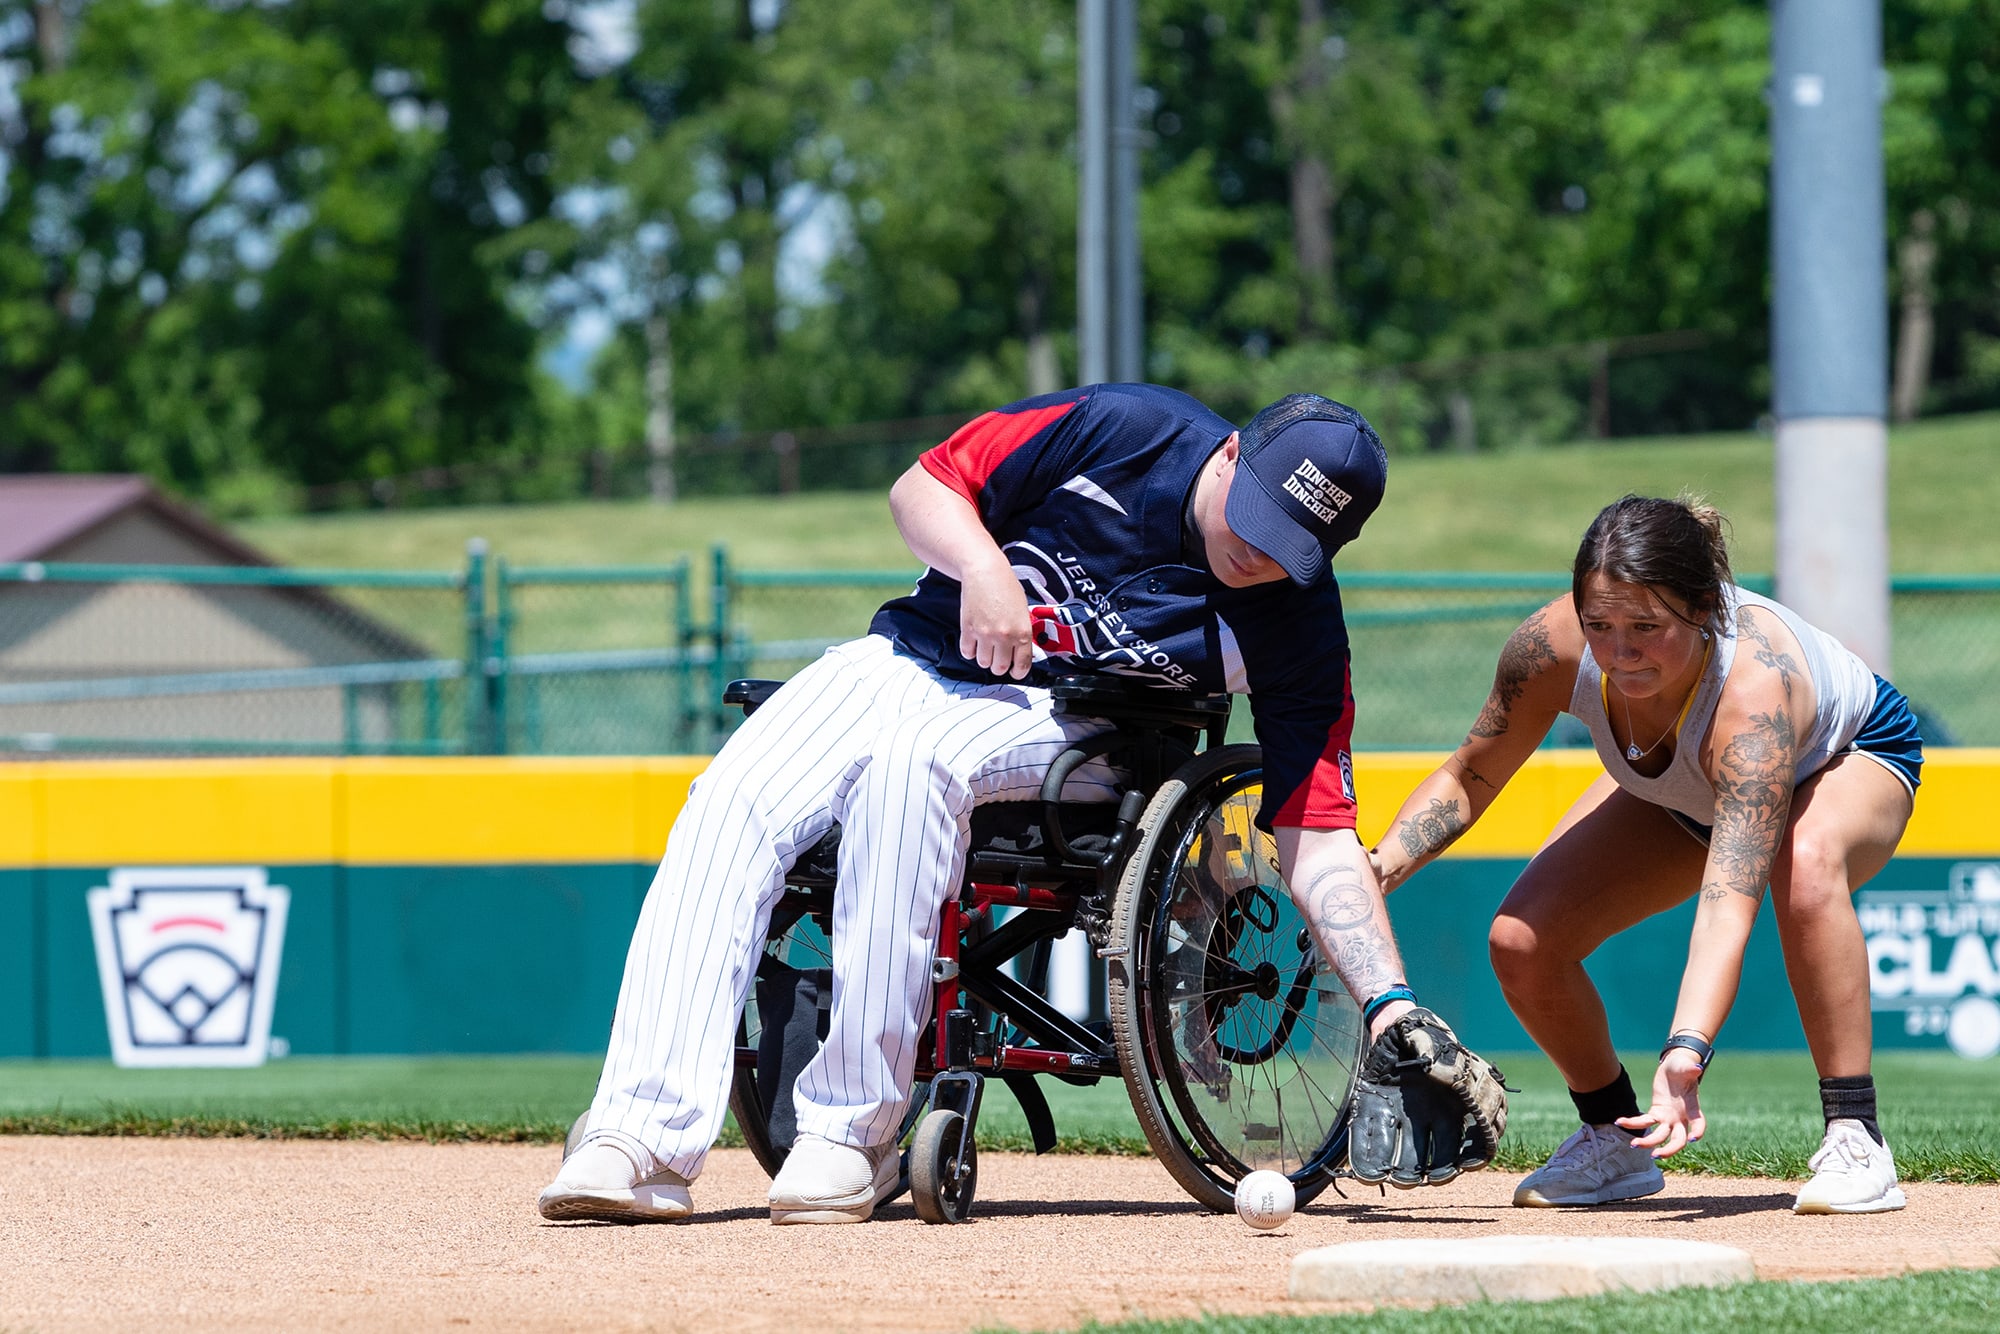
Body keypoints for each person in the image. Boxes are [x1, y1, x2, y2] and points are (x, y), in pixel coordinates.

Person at [539, 383, 1493, 1225]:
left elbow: (1317, 836)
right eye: (1253, 516)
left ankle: (849, 1134)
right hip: (909, 657)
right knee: (733, 795)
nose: (1255, 553)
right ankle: (639, 1135)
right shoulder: (1126, 428)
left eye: (1289, 546)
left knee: (914, 768)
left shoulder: (1299, 629)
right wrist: (984, 568)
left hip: (1084, 729)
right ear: (1233, 452)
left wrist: (1389, 1006)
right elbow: (923, 486)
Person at [1369, 494, 1924, 1215]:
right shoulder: (1550, 648)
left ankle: (1856, 1136)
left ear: (1704, 609)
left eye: (1646, 628)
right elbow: (1470, 773)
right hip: (1684, 782)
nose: (1620, 653)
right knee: (1523, 941)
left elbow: (1726, 908)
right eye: (1599, 626)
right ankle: (1613, 1138)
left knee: (1804, 863)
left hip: (1845, 755)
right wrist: (1375, 870)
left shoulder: (1753, 698)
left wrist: (1685, 1052)